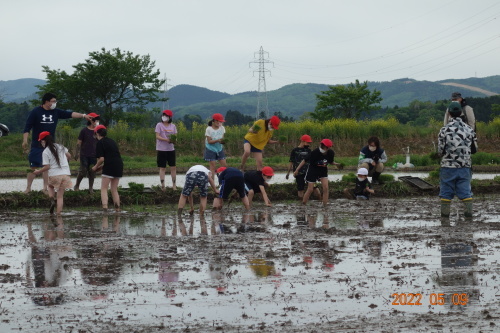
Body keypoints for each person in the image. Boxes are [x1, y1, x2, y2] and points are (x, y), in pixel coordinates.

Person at [22, 93, 90, 193]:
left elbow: (70, 114)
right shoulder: (35, 112)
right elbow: (27, 128)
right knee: (33, 166)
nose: (55, 103)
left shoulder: (56, 112)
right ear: (46, 101)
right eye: (53, 101)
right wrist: (25, 141)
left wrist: (83, 116)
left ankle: (45, 188)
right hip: (37, 144)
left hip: (49, 145)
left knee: (46, 166)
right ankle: (28, 188)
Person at [438, 101, 476, 218]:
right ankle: (468, 216)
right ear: (461, 113)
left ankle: (445, 219)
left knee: (446, 194)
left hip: (448, 167)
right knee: (465, 192)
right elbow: (474, 149)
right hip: (465, 166)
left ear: (449, 113)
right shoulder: (469, 130)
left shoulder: (444, 130)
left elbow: (440, 151)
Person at [32, 132, 72, 215]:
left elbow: (47, 167)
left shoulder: (45, 152)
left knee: (50, 186)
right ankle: (59, 214)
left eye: (41, 141)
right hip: (66, 174)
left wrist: (38, 171)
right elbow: (69, 156)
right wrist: (66, 162)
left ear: (43, 141)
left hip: (54, 174)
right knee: (60, 196)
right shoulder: (60, 146)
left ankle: (52, 199)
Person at [294, 139, 337, 206]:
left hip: (323, 170)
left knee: (326, 188)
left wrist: (337, 164)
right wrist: (297, 170)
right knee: (310, 189)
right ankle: (303, 204)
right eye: (328, 147)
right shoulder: (315, 152)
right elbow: (304, 160)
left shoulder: (331, 153)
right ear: (324, 146)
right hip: (313, 170)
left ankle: (325, 205)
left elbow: (331, 162)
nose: (329, 148)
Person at [91, 125, 123, 212]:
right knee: (114, 189)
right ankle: (117, 208)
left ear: (97, 133)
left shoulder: (100, 143)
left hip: (110, 166)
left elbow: (101, 159)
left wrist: (95, 167)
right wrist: (101, 167)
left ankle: (105, 208)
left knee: (104, 188)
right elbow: (112, 157)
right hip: (119, 165)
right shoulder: (112, 141)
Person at [286, 134, 320, 199]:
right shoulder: (295, 150)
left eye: (309, 143)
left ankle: (320, 200)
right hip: (299, 173)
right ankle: (301, 204)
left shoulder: (309, 151)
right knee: (300, 189)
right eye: (307, 142)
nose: (308, 144)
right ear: (302, 141)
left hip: (309, 172)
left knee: (315, 187)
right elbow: (291, 162)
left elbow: (313, 162)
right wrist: (288, 173)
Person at [74, 112, 100, 193]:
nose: (96, 121)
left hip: (94, 155)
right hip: (84, 154)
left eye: (97, 120)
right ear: (91, 120)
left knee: (92, 171)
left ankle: (90, 188)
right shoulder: (84, 131)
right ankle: (77, 185)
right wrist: (76, 153)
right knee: (83, 170)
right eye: (95, 120)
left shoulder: (98, 131)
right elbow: (79, 142)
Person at [155, 109, 177, 190]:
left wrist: (173, 141)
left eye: (167, 116)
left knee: (173, 167)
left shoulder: (173, 126)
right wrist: (166, 140)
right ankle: (163, 185)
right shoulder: (159, 125)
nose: (165, 117)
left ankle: (174, 185)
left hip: (170, 149)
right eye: (164, 115)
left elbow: (175, 136)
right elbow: (157, 136)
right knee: (162, 167)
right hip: (161, 149)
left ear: (170, 117)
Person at [204, 113, 227, 180]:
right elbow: (209, 141)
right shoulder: (209, 129)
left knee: (224, 166)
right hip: (210, 148)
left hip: (219, 148)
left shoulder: (222, 128)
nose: (219, 123)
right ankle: (212, 183)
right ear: (214, 121)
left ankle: (224, 181)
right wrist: (218, 140)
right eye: (218, 121)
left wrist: (223, 141)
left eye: (221, 121)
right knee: (212, 166)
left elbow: (222, 138)